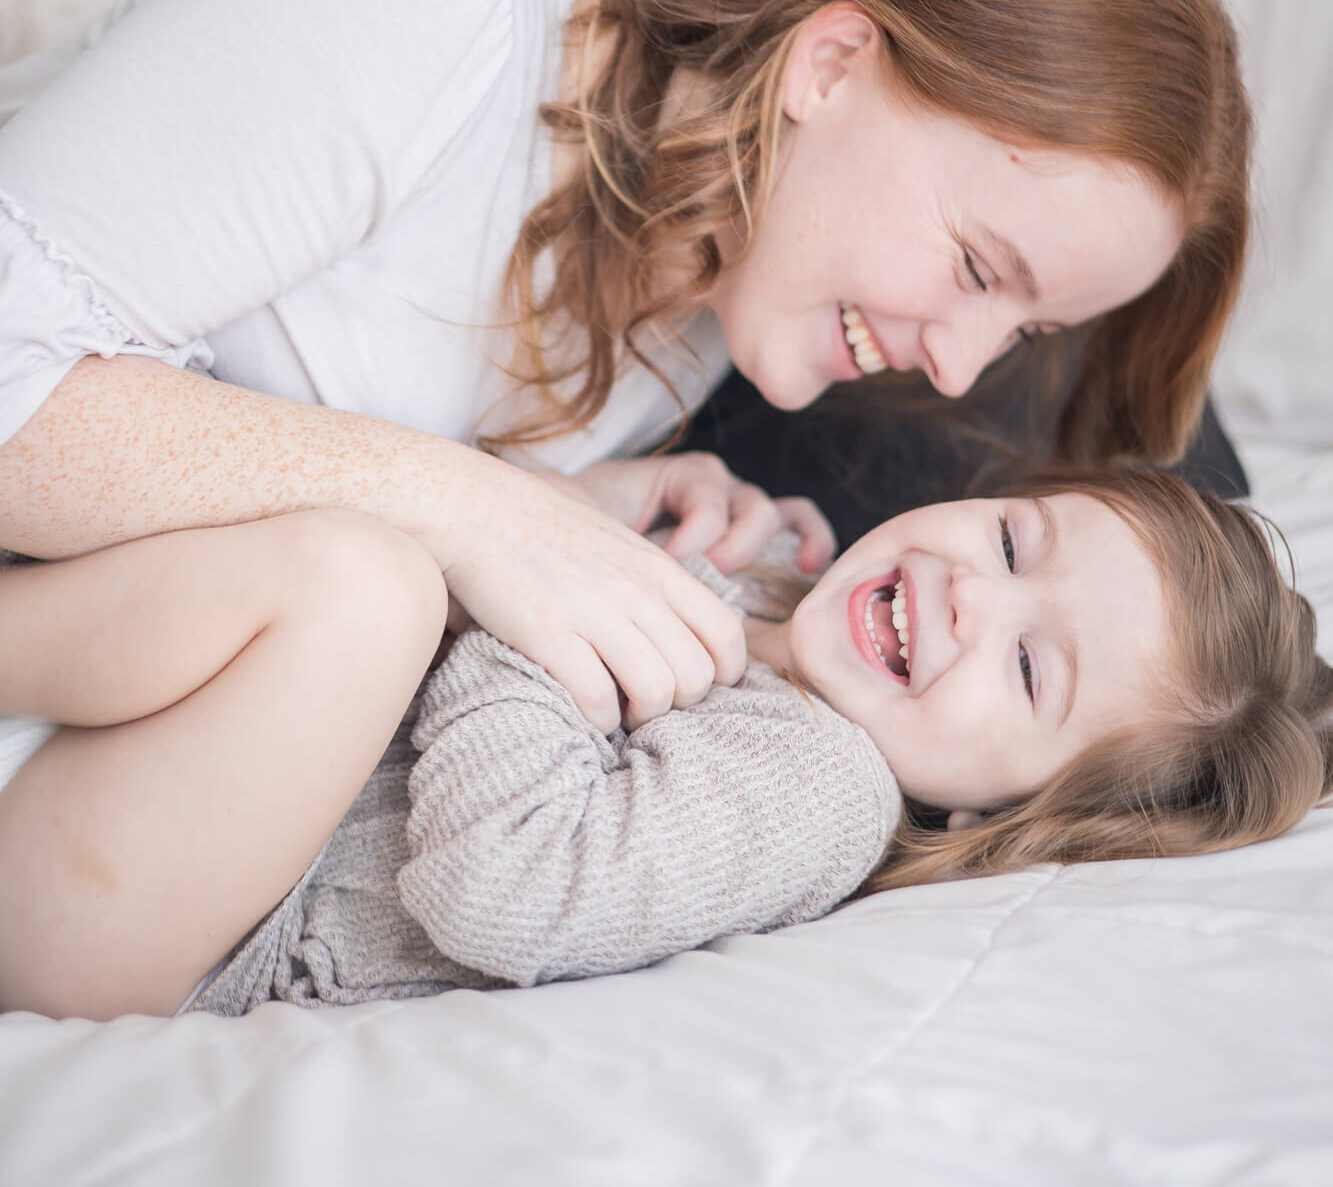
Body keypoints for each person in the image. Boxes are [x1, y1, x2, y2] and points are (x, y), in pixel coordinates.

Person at [0, 0, 1248, 989]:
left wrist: (566, 519)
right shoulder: (429, 3)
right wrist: (473, 508)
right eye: (980, 267)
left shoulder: (700, 320)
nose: (959, 369)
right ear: (831, 64)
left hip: (105, 790)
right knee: (362, 586)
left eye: (1022, 332)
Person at [1, 461, 1326, 1018]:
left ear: (1002, 812)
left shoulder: (826, 785)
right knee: (340, 548)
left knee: (359, 586)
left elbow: (506, 889)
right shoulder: (771, 612)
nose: (975, 595)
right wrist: (601, 511)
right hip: (129, 778)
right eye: (1008, 538)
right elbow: (497, 549)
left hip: (182, 929)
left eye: (1034, 669)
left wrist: (543, 586)